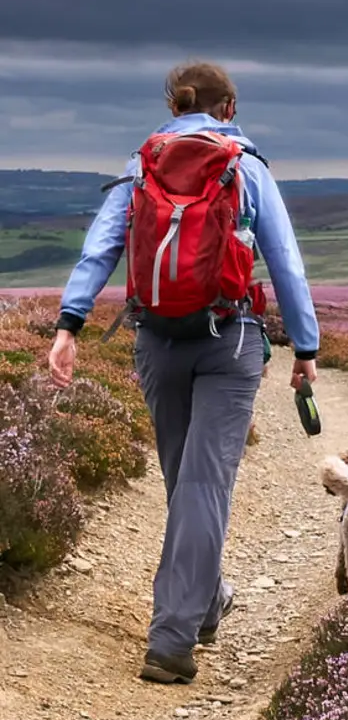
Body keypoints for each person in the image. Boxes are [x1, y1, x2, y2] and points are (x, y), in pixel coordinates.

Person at [45, 61, 321, 685]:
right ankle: (171, 639)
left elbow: (101, 246)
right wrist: (306, 348)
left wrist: (69, 326)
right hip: (232, 341)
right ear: (229, 108)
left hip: (156, 339)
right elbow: (285, 261)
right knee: (203, 485)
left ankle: (206, 599)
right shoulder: (245, 165)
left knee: (186, 481)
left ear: (174, 106)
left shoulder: (142, 163)